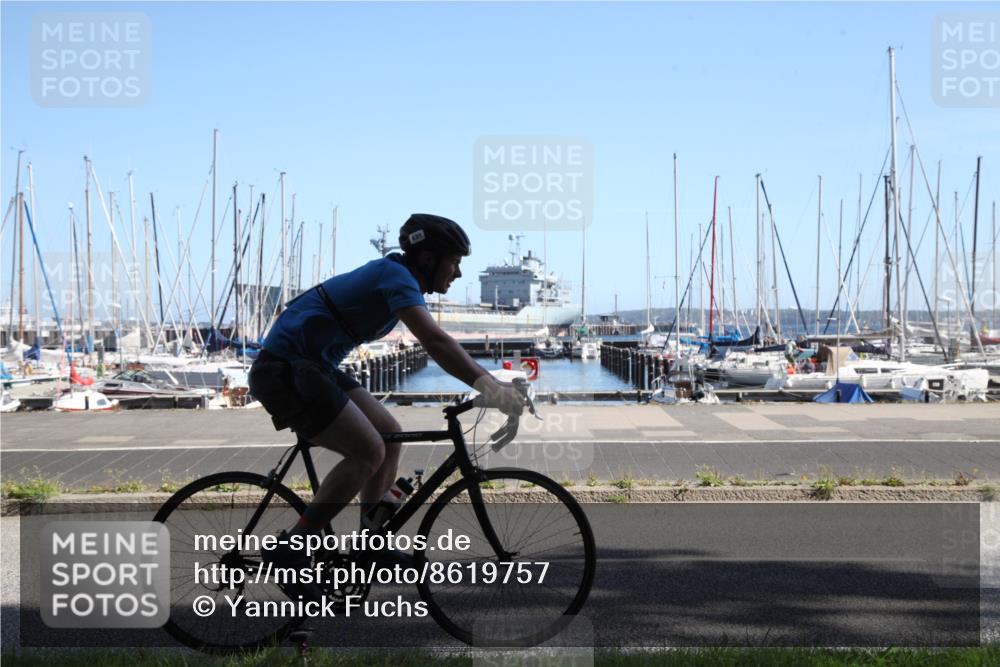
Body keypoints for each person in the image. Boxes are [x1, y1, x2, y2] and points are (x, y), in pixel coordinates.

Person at [248, 213, 524, 602]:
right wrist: (489, 385)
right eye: (455, 262)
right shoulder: (395, 277)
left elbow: (438, 344)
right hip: (285, 369)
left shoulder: (398, 276)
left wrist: (485, 383)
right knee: (368, 450)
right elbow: (436, 342)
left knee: (390, 438)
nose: (458, 274)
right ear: (428, 259)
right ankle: (292, 549)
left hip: (314, 366)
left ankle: (369, 543)